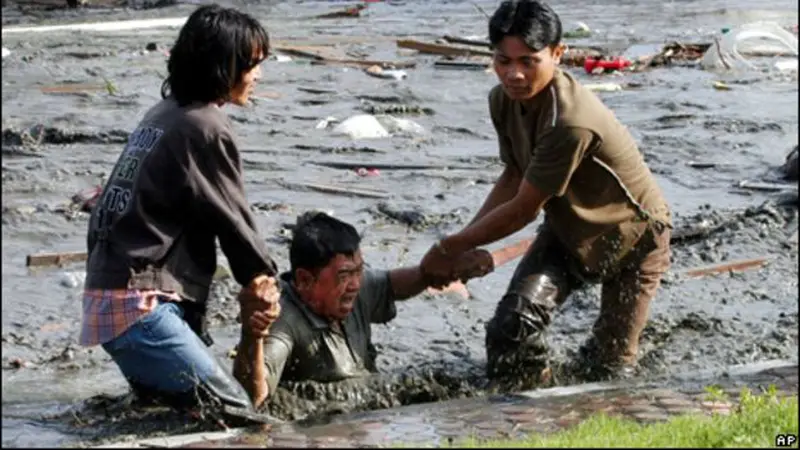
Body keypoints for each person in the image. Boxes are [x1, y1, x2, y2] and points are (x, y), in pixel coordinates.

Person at [419, 0, 673, 383]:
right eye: (503, 61)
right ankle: (529, 411)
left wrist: (448, 248)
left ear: (558, 54)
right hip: (567, 229)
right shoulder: (502, 100)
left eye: (529, 61)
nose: (514, 75)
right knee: (511, 328)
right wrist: (465, 248)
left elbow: (523, 209)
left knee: (611, 370)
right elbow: (513, 175)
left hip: (634, 235)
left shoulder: (569, 121)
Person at [79, 4, 282, 421]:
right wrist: (261, 278)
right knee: (238, 417)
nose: (258, 74)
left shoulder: (164, 113)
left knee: (175, 418)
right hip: (139, 305)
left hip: (110, 296)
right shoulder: (204, 125)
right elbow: (233, 219)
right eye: (252, 64)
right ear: (223, 66)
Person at [234, 212, 494, 409]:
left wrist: (442, 269)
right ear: (304, 280)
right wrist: (252, 337)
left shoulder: (357, 288)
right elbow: (253, 401)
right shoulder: (283, 321)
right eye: (345, 275)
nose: (355, 284)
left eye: (359, 271)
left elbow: (394, 285)